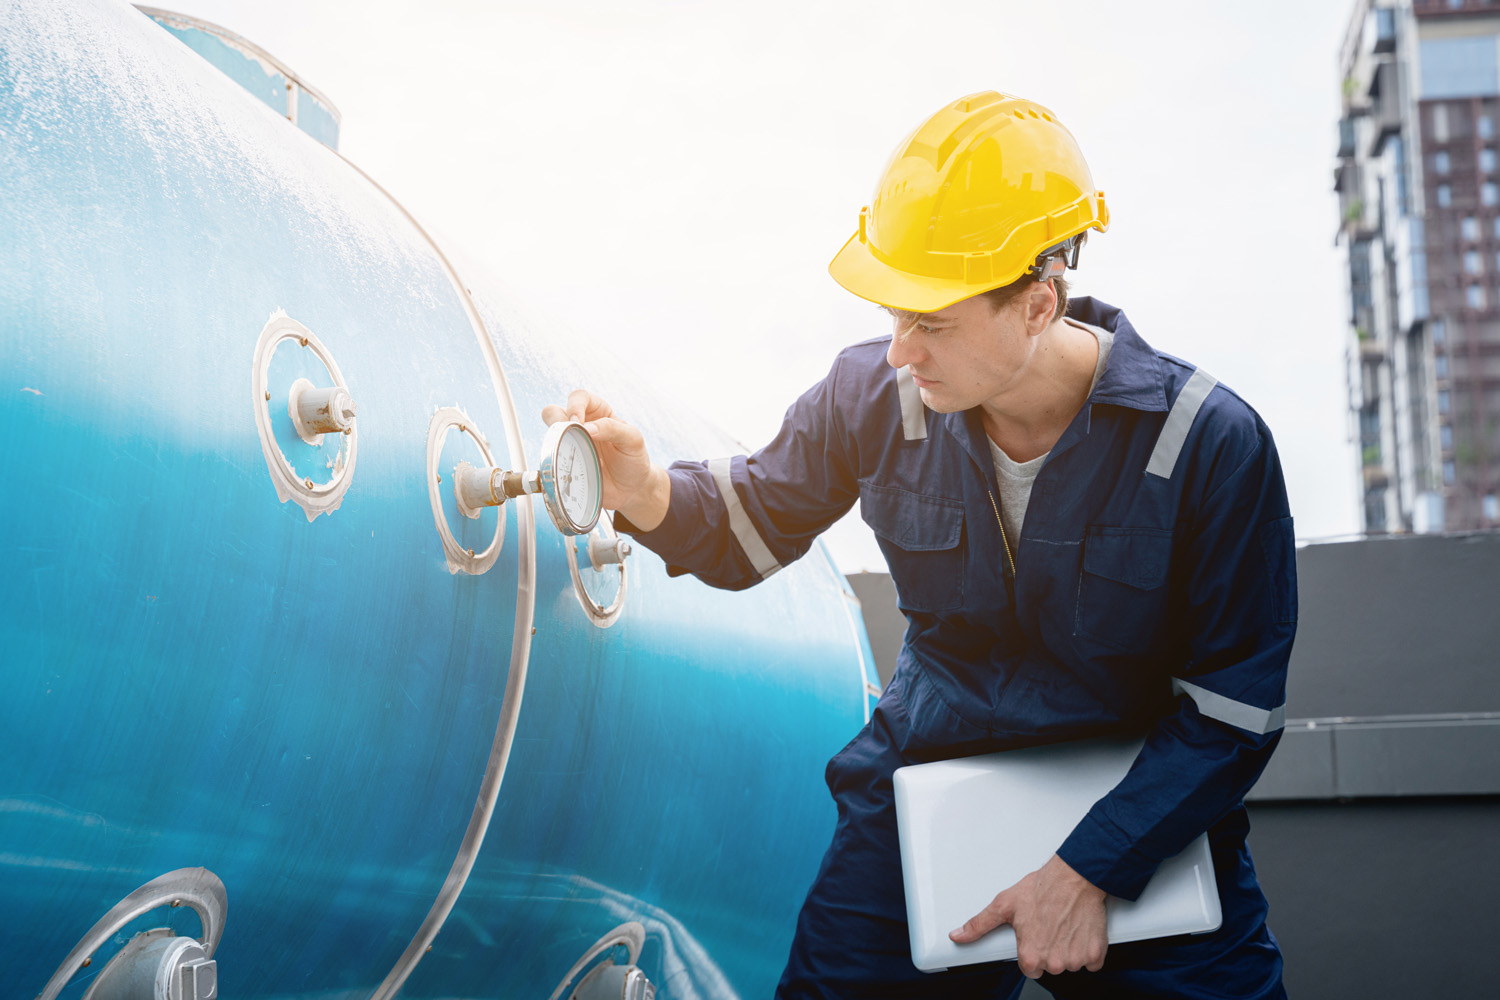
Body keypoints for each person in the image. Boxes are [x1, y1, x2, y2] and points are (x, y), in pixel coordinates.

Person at [543, 90, 1296, 999]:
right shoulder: (871, 397)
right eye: (894, 313)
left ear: (1038, 304)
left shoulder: (1205, 443)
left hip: (1139, 817)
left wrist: (1088, 869)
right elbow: (751, 526)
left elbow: (1232, 713)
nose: (900, 351)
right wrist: (643, 491)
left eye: (931, 322)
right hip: (927, 792)